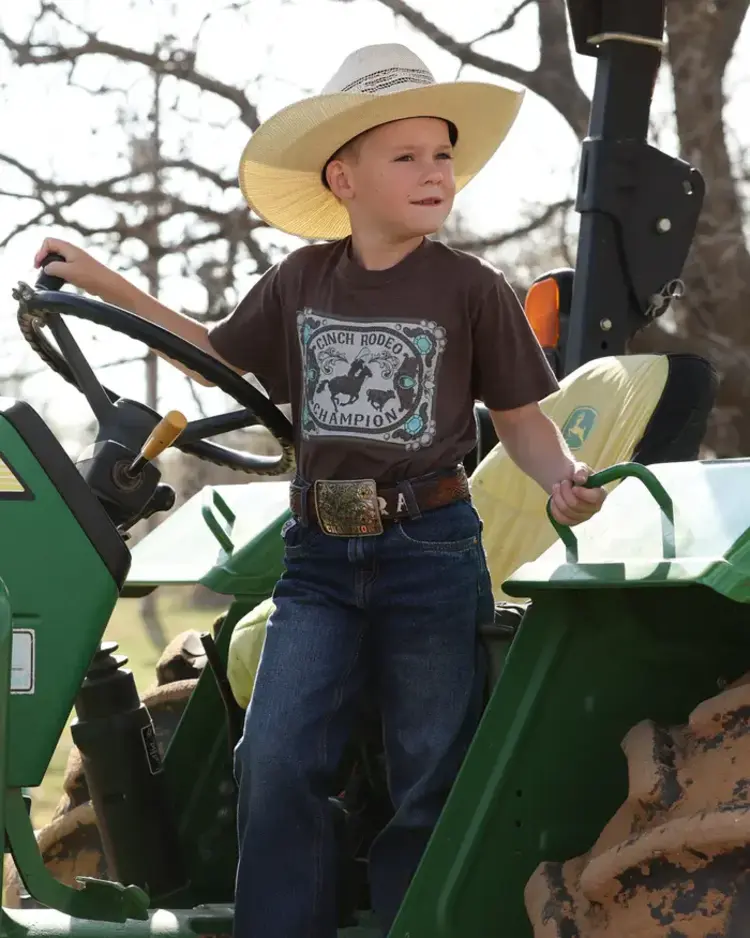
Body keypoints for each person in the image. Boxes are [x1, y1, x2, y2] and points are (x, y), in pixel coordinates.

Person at [34, 43, 606, 938]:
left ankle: (416, 923)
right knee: (275, 755)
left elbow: (522, 420)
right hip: (320, 562)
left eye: (442, 155)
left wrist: (561, 478)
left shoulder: (472, 289)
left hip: (431, 553)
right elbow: (219, 350)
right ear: (344, 176)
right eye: (407, 156)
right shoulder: (304, 281)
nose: (434, 173)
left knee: (431, 772)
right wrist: (108, 284)